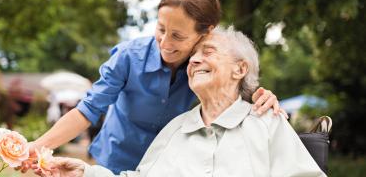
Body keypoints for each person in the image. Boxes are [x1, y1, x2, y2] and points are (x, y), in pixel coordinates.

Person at [19, 0, 284, 174]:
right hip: (115, 159)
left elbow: (237, 92)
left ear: (206, 32)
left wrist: (265, 96)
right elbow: (87, 110)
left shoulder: (205, 68)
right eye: (161, 29)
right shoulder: (128, 57)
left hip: (168, 166)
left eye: (178, 36)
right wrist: (38, 146)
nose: (165, 43)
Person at [33, 26, 326, 177]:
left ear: (240, 69)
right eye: (193, 56)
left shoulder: (266, 122)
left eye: (208, 52)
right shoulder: (175, 130)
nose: (195, 60)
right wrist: (85, 172)